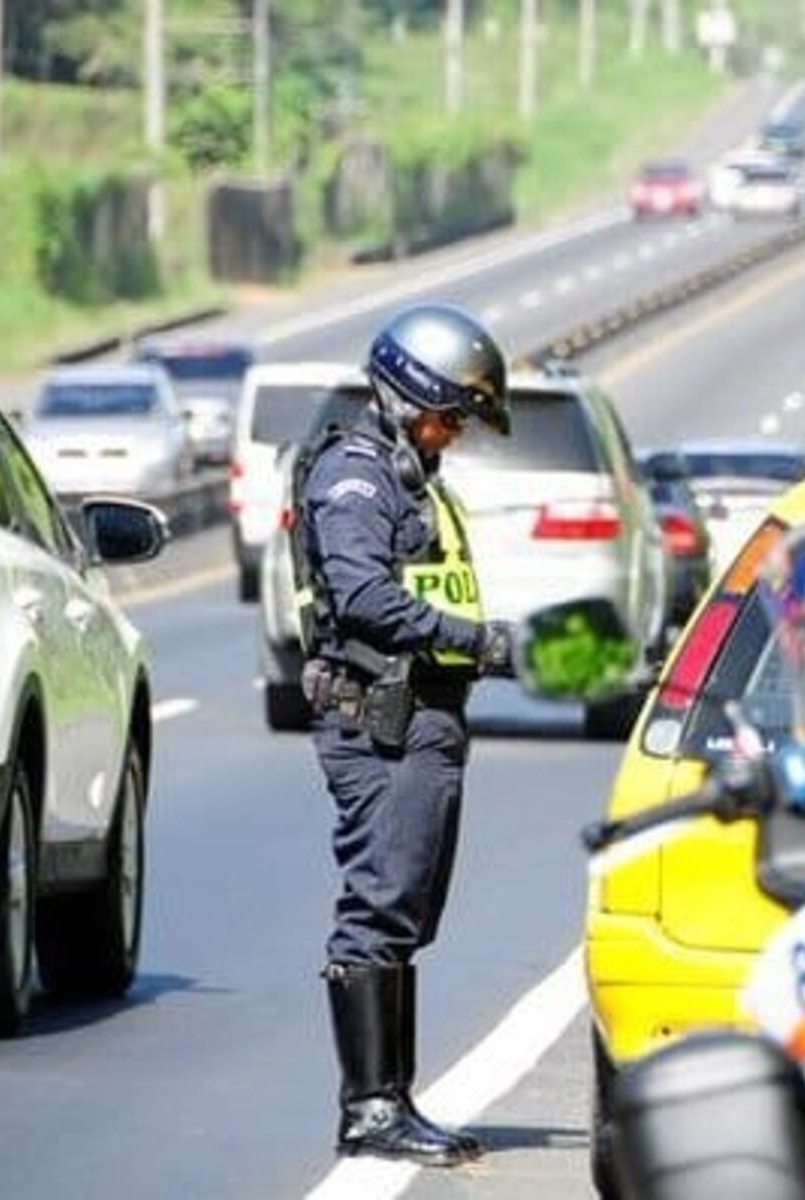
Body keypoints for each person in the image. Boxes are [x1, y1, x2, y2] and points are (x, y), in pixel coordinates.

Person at [292, 304, 516, 1167]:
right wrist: (476, 641)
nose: (452, 433)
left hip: (425, 717)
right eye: (446, 414)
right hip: (380, 720)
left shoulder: (408, 472)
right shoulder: (356, 478)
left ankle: (394, 1097)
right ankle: (371, 1110)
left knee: (408, 909)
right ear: (404, 393)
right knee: (379, 906)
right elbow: (362, 599)